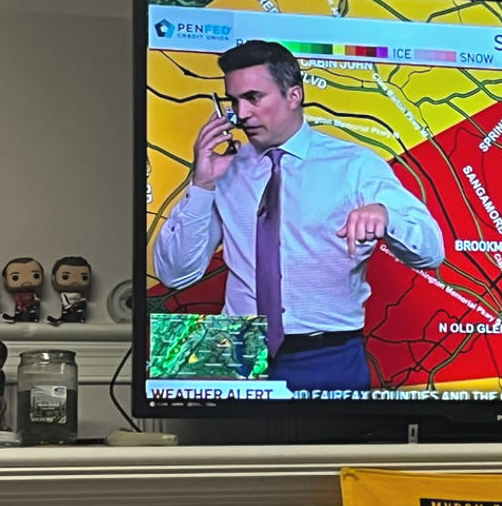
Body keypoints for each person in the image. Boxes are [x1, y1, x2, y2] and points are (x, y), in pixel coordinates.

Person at [154, 40, 445, 391]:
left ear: (294, 96)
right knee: (224, 448)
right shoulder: (224, 169)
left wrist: (387, 216)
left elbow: (432, 252)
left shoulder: (354, 165)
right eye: (233, 101)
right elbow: (175, 274)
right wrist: (202, 184)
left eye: (253, 98)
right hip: (232, 345)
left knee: (329, 448)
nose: (241, 114)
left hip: (327, 355)